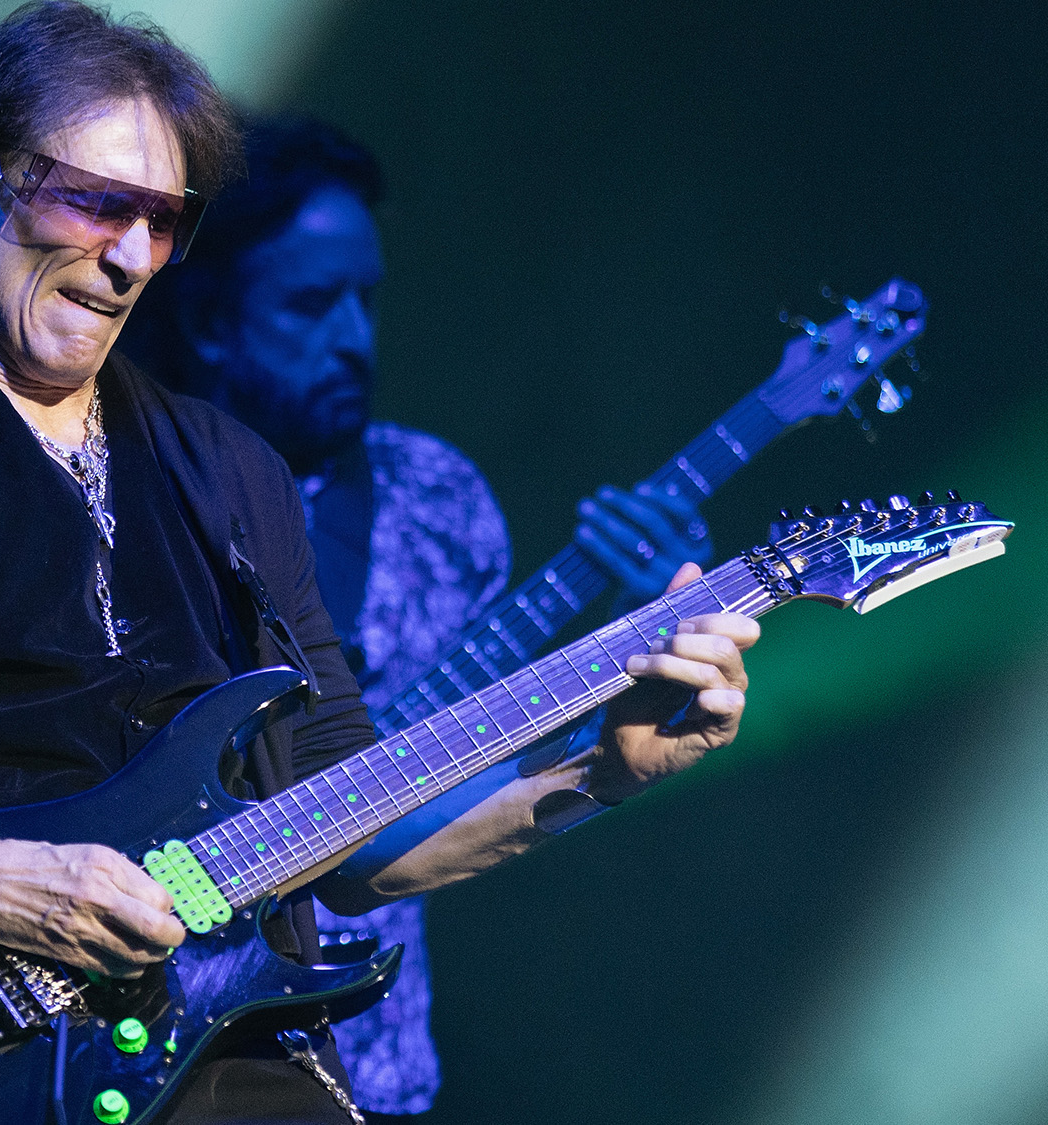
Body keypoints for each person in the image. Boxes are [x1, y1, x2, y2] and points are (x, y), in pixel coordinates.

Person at [0, 4, 758, 1122]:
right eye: (96, 203)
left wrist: (599, 772)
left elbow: (349, 840)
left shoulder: (231, 471)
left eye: (162, 221)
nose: (129, 257)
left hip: (235, 1067)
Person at [119, 117, 717, 1121]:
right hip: (135, 1030)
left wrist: (630, 648)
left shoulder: (437, 499)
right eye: (312, 303)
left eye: (367, 298)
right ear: (214, 320)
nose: (354, 337)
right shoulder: (123, 489)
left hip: (365, 1056)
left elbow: (479, 769)